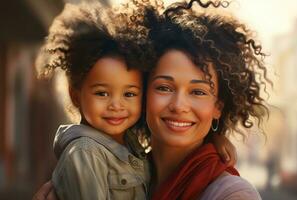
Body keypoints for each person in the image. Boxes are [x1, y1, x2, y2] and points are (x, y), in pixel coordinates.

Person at [33, 1, 237, 199]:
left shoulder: (131, 147)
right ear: (75, 95)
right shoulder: (85, 153)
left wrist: (213, 137)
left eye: (129, 94)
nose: (116, 105)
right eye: (164, 88)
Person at [140, 0, 271, 199]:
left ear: (218, 106)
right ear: (142, 93)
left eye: (198, 92)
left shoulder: (232, 194)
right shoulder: (119, 173)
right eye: (164, 88)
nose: (178, 105)